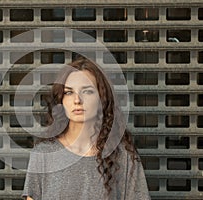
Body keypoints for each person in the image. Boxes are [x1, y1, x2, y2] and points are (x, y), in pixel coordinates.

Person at [22, 57, 150, 200]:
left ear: (102, 98)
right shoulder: (44, 154)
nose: (77, 100)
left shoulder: (123, 155)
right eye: (69, 92)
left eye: (87, 91)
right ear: (61, 100)